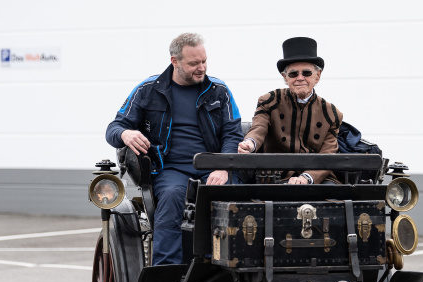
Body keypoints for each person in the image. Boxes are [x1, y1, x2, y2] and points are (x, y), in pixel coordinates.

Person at [106, 33, 243, 265]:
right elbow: (114, 128)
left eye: (204, 61)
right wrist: (125, 133)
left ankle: (229, 269)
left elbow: (232, 133)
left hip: (215, 167)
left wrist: (223, 168)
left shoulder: (220, 90)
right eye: (193, 63)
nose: (201, 68)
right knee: (171, 196)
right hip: (170, 170)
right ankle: (166, 273)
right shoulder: (147, 89)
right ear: (175, 61)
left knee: (233, 199)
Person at [237, 37, 343, 185]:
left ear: (317, 76)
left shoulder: (331, 114)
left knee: (335, 197)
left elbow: (327, 154)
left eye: (306, 73)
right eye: (293, 74)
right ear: (285, 78)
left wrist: (306, 178)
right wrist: (250, 143)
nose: (300, 78)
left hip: (317, 178)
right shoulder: (269, 101)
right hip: (276, 176)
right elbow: (258, 128)